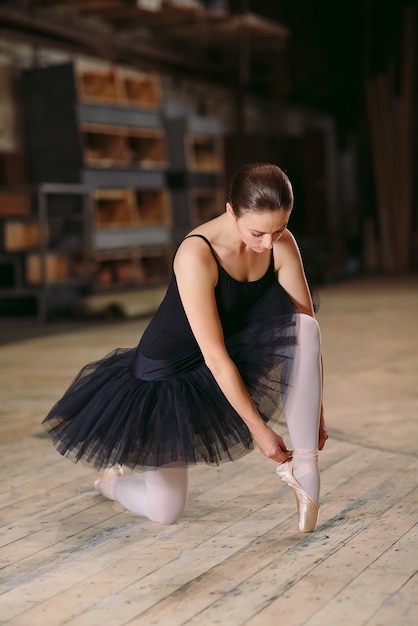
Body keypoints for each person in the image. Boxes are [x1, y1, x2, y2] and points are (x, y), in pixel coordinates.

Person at [43, 162, 328, 532]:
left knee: (305, 326)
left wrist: (317, 412)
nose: (267, 244)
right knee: (166, 511)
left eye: (279, 230)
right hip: (168, 374)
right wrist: (259, 429)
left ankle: (306, 471)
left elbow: (306, 335)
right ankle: (111, 483)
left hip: (233, 350)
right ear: (230, 210)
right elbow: (213, 356)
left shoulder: (280, 243)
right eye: (258, 233)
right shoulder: (196, 254)